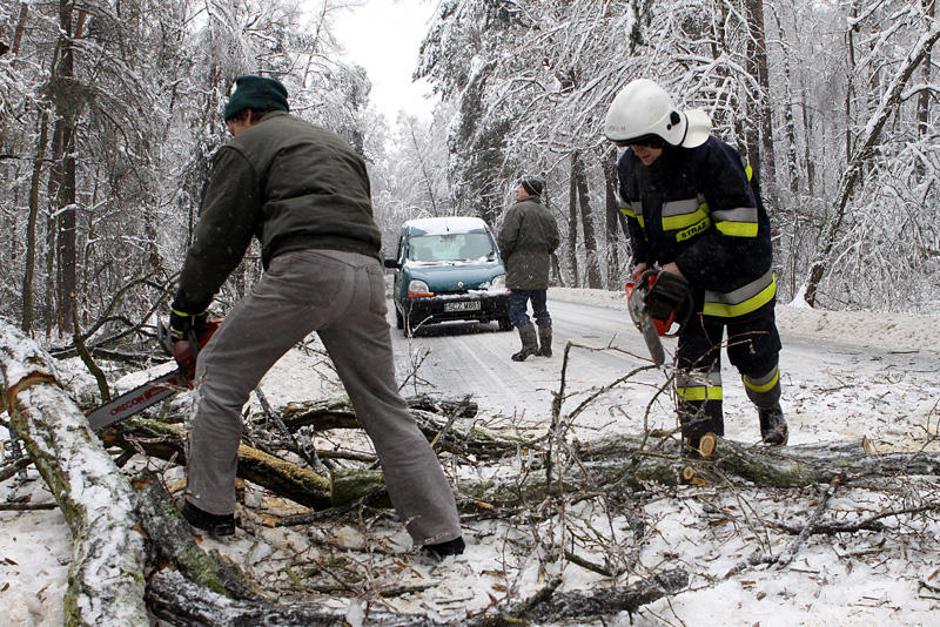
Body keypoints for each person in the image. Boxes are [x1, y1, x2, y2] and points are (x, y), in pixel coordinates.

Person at [167, 75, 464, 557]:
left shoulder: (248, 147)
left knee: (218, 373)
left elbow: (218, 239)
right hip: (367, 274)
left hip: (306, 270)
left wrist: (186, 312)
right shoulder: (336, 146)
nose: (231, 134)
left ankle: (208, 511)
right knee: (383, 405)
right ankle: (442, 533)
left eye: (232, 125)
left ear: (244, 116)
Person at [603, 78, 788, 454]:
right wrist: (643, 261)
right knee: (693, 368)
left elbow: (740, 231)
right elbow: (635, 220)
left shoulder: (712, 158)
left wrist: (681, 267)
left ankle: (770, 410)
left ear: (666, 129)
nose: (639, 151)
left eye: (646, 141)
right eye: (632, 144)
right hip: (690, 286)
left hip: (741, 279)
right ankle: (701, 442)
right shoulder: (630, 169)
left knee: (757, 361)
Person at [497, 175, 560, 361]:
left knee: (517, 310)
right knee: (541, 309)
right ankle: (546, 347)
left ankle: (530, 345)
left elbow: (506, 240)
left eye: (520, 186)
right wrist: (540, 253)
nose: (516, 189)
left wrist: (506, 257)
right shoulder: (546, 213)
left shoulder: (517, 211)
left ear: (528, 190)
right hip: (540, 269)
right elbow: (555, 241)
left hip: (520, 268)